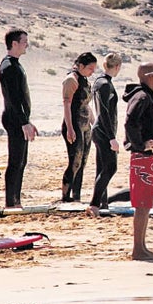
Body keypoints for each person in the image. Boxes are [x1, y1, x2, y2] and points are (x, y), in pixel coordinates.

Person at [124, 62, 153, 261]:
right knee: (141, 204)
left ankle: (141, 246)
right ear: (149, 76)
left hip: (147, 158)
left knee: (145, 204)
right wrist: (140, 144)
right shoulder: (141, 96)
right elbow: (130, 122)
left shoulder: (145, 95)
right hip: (143, 157)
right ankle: (137, 249)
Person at [0, 29, 38, 209]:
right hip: (14, 120)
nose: (27, 45)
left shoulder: (15, 65)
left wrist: (28, 121)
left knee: (21, 161)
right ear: (14, 43)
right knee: (15, 162)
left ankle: (16, 200)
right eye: (24, 42)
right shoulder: (8, 66)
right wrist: (23, 122)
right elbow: (13, 98)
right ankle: (10, 202)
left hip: (20, 119)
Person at [87, 53, 122, 215]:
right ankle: (94, 204)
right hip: (103, 131)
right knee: (110, 167)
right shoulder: (104, 84)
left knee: (102, 167)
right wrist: (112, 137)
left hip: (101, 130)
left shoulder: (100, 82)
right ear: (117, 67)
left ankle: (103, 202)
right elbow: (104, 112)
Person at [61, 52, 97, 202]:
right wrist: (70, 128)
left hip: (85, 125)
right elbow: (67, 105)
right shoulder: (71, 80)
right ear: (80, 65)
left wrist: (95, 124)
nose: (92, 72)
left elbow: (86, 105)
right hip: (74, 124)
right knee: (74, 161)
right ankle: (65, 195)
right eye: (90, 68)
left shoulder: (85, 80)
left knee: (83, 161)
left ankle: (77, 196)